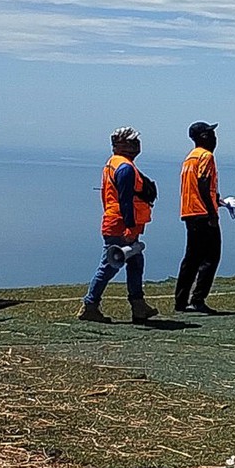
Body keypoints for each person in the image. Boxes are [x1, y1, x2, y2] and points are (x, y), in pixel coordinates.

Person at [80, 128, 159, 324]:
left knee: (135, 262)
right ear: (122, 145)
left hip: (117, 221)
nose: (136, 145)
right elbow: (125, 201)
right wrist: (130, 228)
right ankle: (90, 304)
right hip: (120, 224)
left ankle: (138, 304)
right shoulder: (124, 168)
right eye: (132, 142)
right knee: (109, 265)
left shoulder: (114, 164)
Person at [175, 122, 223, 314]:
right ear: (203, 137)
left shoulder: (189, 158)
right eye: (211, 134)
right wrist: (212, 213)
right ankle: (198, 299)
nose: (215, 138)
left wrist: (216, 199)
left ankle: (180, 301)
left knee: (191, 258)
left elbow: (196, 186)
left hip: (189, 212)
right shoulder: (206, 156)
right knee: (211, 257)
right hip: (203, 214)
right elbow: (203, 183)